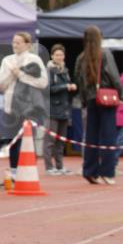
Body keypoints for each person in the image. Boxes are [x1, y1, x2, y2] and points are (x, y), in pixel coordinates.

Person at [75, 26, 122, 185]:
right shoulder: (105, 54)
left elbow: (79, 80)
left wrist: (83, 100)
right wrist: (120, 94)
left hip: (90, 99)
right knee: (109, 136)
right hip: (106, 98)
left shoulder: (81, 57)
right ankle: (107, 172)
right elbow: (114, 76)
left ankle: (89, 170)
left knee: (91, 136)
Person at [0, 32, 48, 179]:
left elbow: (42, 82)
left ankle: (28, 172)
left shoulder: (35, 59)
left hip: (28, 107)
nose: (15, 45)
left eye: (18, 42)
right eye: (13, 42)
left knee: (28, 140)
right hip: (10, 106)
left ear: (27, 44)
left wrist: (21, 75)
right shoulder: (7, 60)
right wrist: (11, 75)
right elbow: (0, 84)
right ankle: (13, 172)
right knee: (12, 140)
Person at [44, 44, 77, 175]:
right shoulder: (49, 71)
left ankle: (59, 166)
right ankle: (48, 167)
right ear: (52, 56)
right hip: (52, 109)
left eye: (61, 55)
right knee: (50, 140)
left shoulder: (65, 70)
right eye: (57, 55)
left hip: (64, 109)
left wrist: (72, 88)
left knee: (61, 140)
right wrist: (66, 87)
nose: (59, 57)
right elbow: (48, 89)